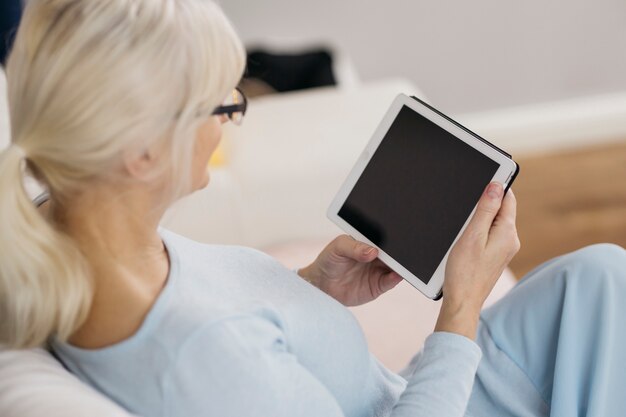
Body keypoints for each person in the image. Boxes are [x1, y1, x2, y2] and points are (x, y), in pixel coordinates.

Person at [0, 1, 624, 416]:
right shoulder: (199, 355)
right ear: (141, 154)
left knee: (595, 278)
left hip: (396, 389)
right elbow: (232, 357)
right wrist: (462, 307)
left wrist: (311, 290)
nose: (229, 127)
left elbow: (243, 329)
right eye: (224, 108)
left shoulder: (80, 226)